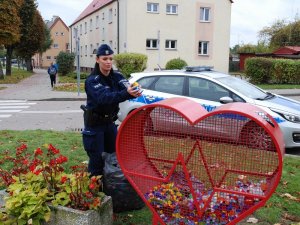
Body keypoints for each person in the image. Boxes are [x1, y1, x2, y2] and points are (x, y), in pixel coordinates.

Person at [81, 44, 142, 177]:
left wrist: (136, 90)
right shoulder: (92, 81)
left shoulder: (117, 76)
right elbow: (104, 98)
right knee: (97, 162)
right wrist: (127, 93)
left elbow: (127, 86)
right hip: (95, 126)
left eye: (110, 59)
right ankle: (95, 192)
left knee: (113, 159)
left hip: (110, 125)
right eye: (105, 59)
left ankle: (109, 189)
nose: (108, 62)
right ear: (97, 60)